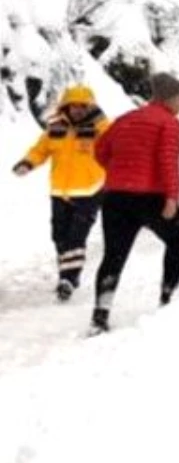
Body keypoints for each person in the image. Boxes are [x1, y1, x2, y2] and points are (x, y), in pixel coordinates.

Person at [90, 73, 179, 334]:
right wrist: (171, 198)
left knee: (114, 255)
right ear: (168, 99)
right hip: (151, 196)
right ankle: (168, 297)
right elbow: (168, 162)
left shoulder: (125, 119)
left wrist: (119, 172)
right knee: (178, 239)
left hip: (115, 196)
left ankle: (100, 315)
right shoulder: (169, 123)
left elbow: (100, 150)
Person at [11, 85, 111, 301]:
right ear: (65, 106)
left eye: (82, 106)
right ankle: (68, 272)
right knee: (59, 235)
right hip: (60, 191)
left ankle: (68, 278)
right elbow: (40, 150)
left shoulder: (101, 127)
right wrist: (28, 163)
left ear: (89, 106)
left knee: (77, 235)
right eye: (72, 106)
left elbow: (115, 149)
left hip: (90, 190)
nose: (77, 110)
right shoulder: (56, 127)